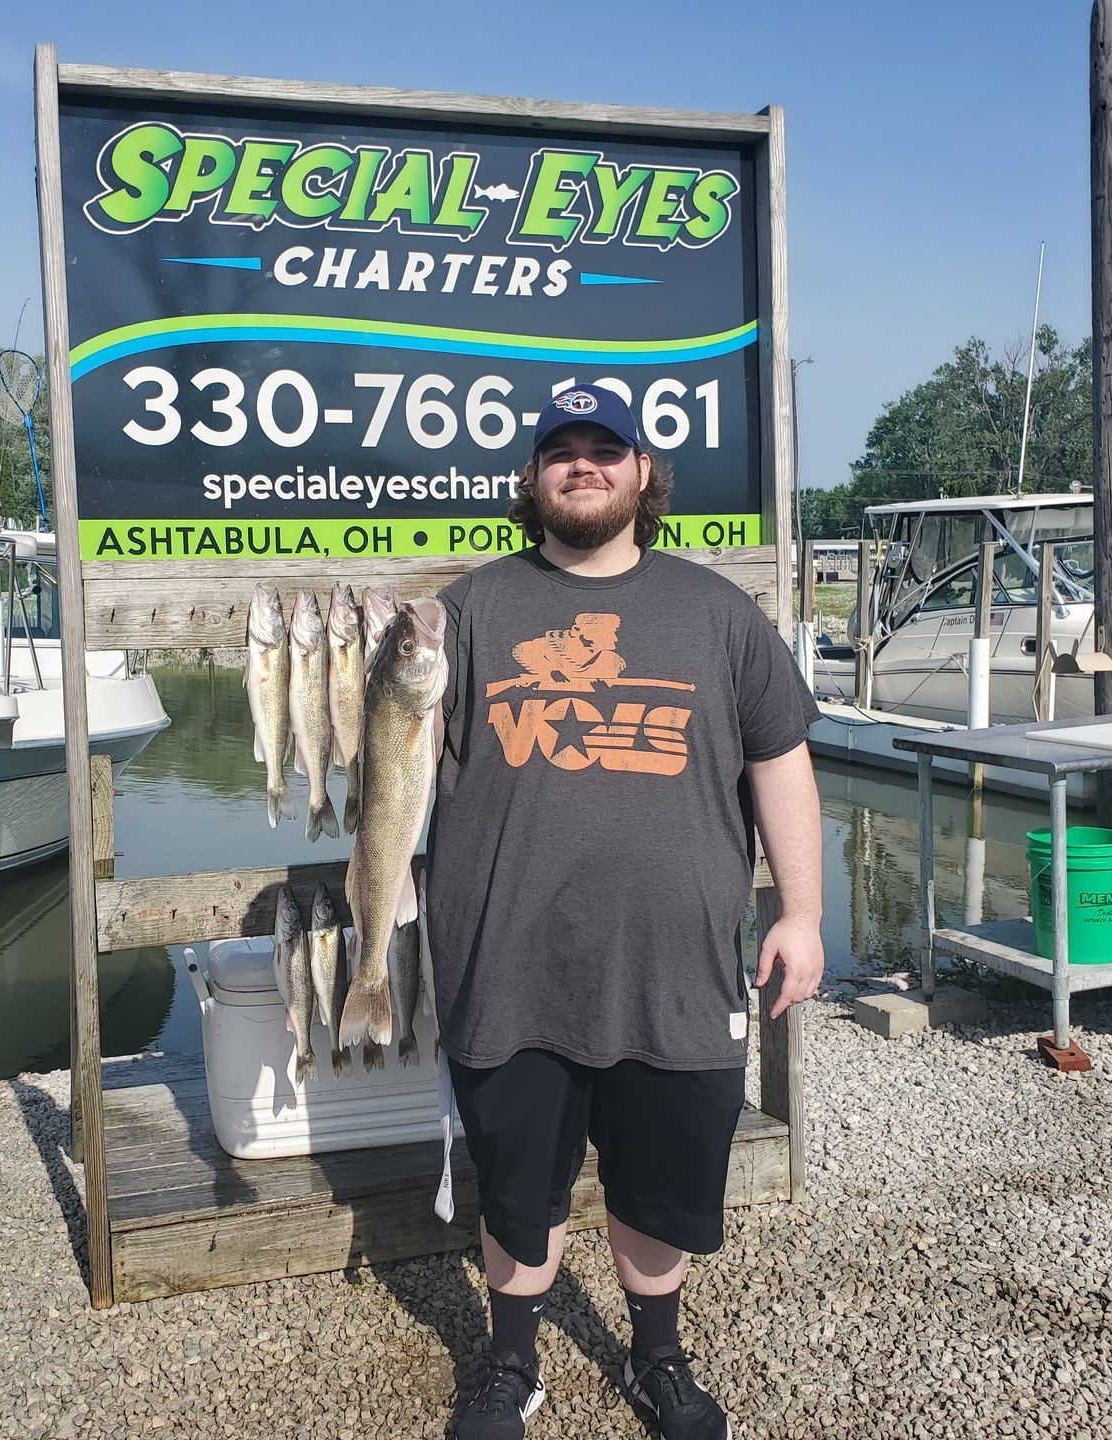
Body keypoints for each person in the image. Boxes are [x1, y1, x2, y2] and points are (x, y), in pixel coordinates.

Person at [429, 384, 824, 1440]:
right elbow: (388, 759)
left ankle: (657, 1359)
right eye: (562, 450)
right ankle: (512, 1365)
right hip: (505, 965)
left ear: (645, 473)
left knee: (662, 1192)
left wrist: (803, 913)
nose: (584, 465)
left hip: (676, 970)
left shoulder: (718, 614)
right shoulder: (466, 615)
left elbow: (782, 765)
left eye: (608, 448)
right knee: (518, 1194)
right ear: (531, 479)